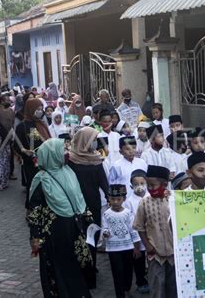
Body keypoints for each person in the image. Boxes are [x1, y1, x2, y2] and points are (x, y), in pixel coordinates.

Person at [28, 138, 92, 298]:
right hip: (54, 235)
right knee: (58, 269)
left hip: (73, 229)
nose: (67, 153)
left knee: (75, 265)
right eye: (62, 150)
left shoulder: (69, 172)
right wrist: (35, 237)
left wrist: (88, 219)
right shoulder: (42, 180)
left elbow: (79, 198)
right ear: (53, 155)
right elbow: (34, 211)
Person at [68, 127, 109, 289]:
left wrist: (111, 198)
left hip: (93, 205)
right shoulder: (71, 160)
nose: (95, 143)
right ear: (84, 141)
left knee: (92, 236)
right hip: (76, 206)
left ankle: (91, 267)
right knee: (79, 237)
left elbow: (104, 184)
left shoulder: (97, 160)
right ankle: (82, 268)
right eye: (92, 139)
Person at [133, 165, 177, 298]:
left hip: (174, 253)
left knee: (173, 287)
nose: (150, 188)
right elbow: (139, 226)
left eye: (153, 185)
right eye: (148, 185)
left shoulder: (174, 200)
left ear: (165, 184)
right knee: (156, 287)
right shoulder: (144, 203)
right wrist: (147, 245)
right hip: (155, 253)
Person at [102, 184, 141, 298]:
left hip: (128, 247)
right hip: (113, 249)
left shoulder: (128, 213)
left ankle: (127, 288)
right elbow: (105, 228)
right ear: (108, 199)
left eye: (118, 199)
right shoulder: (106, 214)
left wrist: (137, 247)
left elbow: (133, 230)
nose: (115, 202)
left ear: (123, 199)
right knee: (117, 272)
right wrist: (105, 233)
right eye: (112, 199)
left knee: (128, 271)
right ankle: (120, 294)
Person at [14, 98, 51, 208]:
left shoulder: (42, 124)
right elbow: (16, 145)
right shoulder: (22, 126)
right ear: (30, 109)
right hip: (31, 163)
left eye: (41, 109)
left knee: (46, 186)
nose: (40, 111)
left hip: (45, 161)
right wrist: (23, 151)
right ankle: (31, 210)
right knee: (34, 186)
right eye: (37, 109)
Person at [123, 169, 150, 294]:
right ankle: (141, 282)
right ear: (131, 186)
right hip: (137, 237)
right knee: (138, 261)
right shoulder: (128, 202)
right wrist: (136, 244)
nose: (139, 187)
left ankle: (151, 280)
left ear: (147, 183)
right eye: (136, 184)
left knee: (152, 260)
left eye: (142, 183)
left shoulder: (151, 197)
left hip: (151, 236)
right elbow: (131, 224)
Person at [0, 93, 17, 180]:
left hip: (8, 136)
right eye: (7, 100)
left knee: (10, 155)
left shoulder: (10, 111)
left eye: (9, 100)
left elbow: (12, 123)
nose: (9, 102)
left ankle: (10, 173)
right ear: (1, 101)